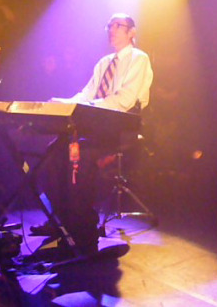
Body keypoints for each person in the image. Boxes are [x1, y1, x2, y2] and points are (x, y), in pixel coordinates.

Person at [30, 13, 153, 255]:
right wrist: (62, 103)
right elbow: (86, 95)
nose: (112, 29)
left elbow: (124, 100)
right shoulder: (103, 62)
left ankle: (85, 233)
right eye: (110, 25)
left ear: (132, 32)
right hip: (93, 126)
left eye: (118, 25)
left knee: (80, 163)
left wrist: (88, 108)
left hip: (118, 131)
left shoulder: (139, 59)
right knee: (51, 157)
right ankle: (62, 222)